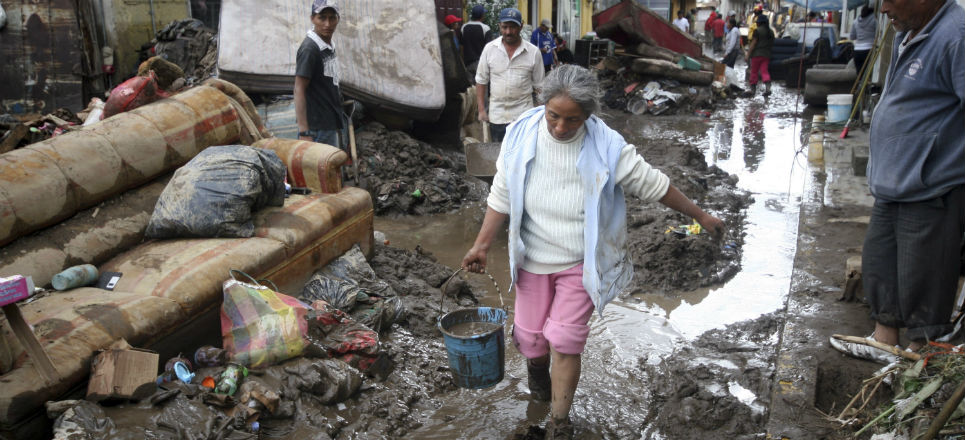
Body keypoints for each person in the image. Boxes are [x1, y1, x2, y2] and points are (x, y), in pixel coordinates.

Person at [462, 65, 725, 438]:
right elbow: (501, 195)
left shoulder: (607, 147)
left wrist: (701, 216)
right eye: (554, 116)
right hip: (532, 257)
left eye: (573, 120)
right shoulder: (521, 133)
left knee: (565, 342)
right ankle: (538, 377)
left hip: (580, 262)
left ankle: (559, 422)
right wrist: (481, 245)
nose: (560, 127)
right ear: (543, 104)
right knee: (531, 340)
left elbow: (654, 184)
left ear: (589, 115)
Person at [829, 0, 965, 363]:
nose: (884, 7)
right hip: (894, 180)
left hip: (930, 185)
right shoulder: (910, 31)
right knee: (880, 259)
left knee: (924, 271)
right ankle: (884, 339)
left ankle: (920, 353)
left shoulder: (956, 35)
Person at [475, 8, 544, 142]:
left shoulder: (533, 52)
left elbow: (540, 86)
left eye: (513, 27)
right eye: (505, 27)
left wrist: (539, 114)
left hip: (524, 116)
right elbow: (481, 81)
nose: (508, 32)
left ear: (521, 26)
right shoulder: (490, 49)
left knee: (523, 157)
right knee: (499, 156)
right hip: (497, 116)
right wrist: (481, 110)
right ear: (499, 26)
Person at [295, 0, 347, 150]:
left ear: (338, 19)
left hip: (329, 124)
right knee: (321, 172)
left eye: (332, 18)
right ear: (313, 19)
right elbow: (299, 89)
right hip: (317, 128)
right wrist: (304, 131)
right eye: (322, 17)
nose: (327, 24)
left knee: (331, 171)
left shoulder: (328, 45)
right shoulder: (310, 49)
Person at [744, 14, 774, 96]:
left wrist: (747, 55)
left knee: (754, 71)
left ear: (761, 23)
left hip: (756, 55)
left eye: (758, 22)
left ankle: (753, 90)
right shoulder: (771, 32)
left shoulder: (757, 31)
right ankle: (768, 88)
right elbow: (772, 44)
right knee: (764, 71)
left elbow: (753, 44)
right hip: (766, 55)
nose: (756, 24)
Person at [462, 5, 491, 76]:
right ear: (482, 15)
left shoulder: (464, 27)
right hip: (481, 63)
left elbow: (461, 46)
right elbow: (490, 48)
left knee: (471, 86)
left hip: (467, 63)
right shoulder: (485, 28)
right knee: (482, 85)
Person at [850, 5, 877, 73]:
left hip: (857, 50)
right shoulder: (875, 20)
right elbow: (878, 33)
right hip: (869, 49)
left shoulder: (855, 21)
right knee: (867, 74)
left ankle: (859, 83)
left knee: (859, 74)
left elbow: (852, 37)